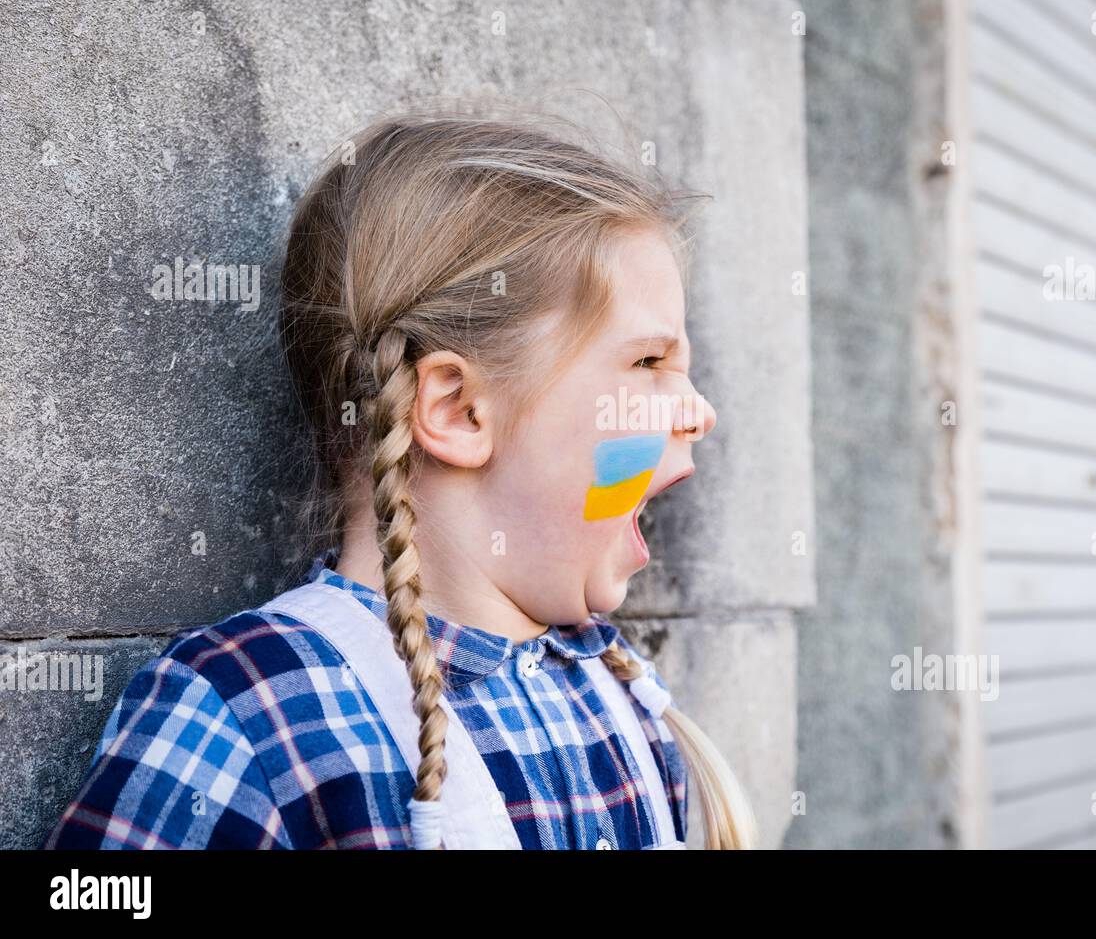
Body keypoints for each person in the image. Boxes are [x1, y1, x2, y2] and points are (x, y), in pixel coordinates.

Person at [44, 107, 758, 850]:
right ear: (457, 410)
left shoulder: (620, 696)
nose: (700, 412)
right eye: (648, 363)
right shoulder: (243, 715)